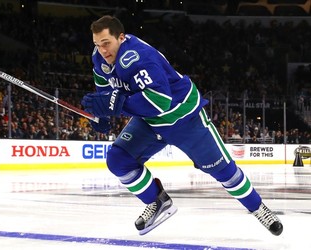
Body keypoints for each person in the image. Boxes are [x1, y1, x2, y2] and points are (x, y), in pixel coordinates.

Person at [81, 15, 283, 236]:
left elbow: (160, 101)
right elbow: (105, 89)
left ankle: (259, 208)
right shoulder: (99, 57)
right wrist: (103, 113)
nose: (102, 50)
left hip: (184, 119)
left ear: (121, 37)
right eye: (97, 44)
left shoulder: (140, 57)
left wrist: (116, 106)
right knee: (118, 160)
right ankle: (158, 202)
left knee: (226, 172)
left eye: (106, 43)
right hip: (149, 122)